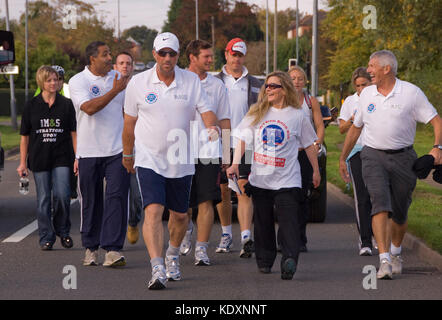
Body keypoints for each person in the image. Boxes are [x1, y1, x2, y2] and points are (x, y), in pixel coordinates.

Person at [122, 32, 219, 290]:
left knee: (179, 215)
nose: (167, 58)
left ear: (178, 56)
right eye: (162, 53)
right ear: (154, 54)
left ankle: (172, 255)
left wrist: (212, 128)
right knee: (153, 210)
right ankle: (157, 267)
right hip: (149, 157)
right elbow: (129, 124)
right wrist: (127, 153)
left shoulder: (190, 81)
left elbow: (207, 111)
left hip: (181, 157)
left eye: (172, 53)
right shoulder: (138, 83)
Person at [339, 50, 441, 280]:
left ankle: (395, 252)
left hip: (404, 158)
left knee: (401, 211)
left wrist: (437, 149)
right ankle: (383, 260)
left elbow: (436, 121)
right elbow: (356, 128)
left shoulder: (411, 93)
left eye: (372, 66)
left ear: (387, 69)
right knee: (379, 204)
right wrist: (343, 157)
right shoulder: (366, 95)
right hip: (373, 156)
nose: (369, 70)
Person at [226, 71, 320, 279]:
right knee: (263, 222)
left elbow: (309, 144)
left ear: (284, 90)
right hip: (261, 179)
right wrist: (234, 164)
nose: (268, 89)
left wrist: (316, 170)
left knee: (289, 222)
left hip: (288, 179)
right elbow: (242, 139)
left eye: (273, 86)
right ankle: (265, 260)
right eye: (266, 86)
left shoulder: (297, 116)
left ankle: (289, 259)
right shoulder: (257, 112)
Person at [69, 41, 131, 267]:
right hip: (88, 151)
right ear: (92, 58)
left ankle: (113, 250)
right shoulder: (78, 81)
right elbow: (89, 109)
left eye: (109, 54)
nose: (109, 58)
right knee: (91, 201)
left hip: (117, 151)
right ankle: (91, 246)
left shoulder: (120, 79)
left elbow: (129, 113)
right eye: (105, 54)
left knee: (116, 198)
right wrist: (115, 90)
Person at [178, 39, 231, 266]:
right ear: (192, 58)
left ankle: (201, 249)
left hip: (209, 150)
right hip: (180, 149)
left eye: (211, 56)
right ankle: (186, 228)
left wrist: (227, 154)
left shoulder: (217, 85)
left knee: (207, 200)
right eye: (206, 57)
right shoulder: (179, 81)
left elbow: (225, 119)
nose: (211, 60)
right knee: (183, 205)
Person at [17, 65, 76, 250]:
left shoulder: (66, 105)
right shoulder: (31, 106)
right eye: (49, 80)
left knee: (62, 195)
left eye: (56, 80)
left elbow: (74, 133)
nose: (54, 83)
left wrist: (77, 158)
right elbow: (24, 137)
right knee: (43, 199)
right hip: (39, 158)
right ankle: (46, 237)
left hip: (62, 157)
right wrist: (21, 163)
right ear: (41, 82)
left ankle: (63, 231)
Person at [214, 38, 263, 258]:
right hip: (222, 140)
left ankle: (246, 237)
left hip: (246, 142)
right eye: (233, 54)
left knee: (243, 188)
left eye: (240, 55)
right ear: (226, 54)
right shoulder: (214, 81)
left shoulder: (255, 83)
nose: (236, 59)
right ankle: (226, 235)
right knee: (223, 190)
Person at [288, 66, 324, 252]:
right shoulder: (282, 100)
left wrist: (317, 143)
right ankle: (285, 239)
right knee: (286, 197)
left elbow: (319, 125)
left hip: (304, 153)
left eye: (300, 78)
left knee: (302, 196)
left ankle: (301, 238)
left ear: (305, 81)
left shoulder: (310, 102)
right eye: (293, 78)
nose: (296, 82)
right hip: (286, 153)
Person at [338, 67, 374, 256]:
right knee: (361, 196)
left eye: (364, 84)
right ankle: (365, 240)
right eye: (358, 85)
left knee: (377, 195)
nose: (361, 88)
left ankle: (377, 233)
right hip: (356, 151)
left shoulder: (377, 97)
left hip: (376, 150)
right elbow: (342, 129)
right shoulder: (351, 101)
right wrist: (353, 119)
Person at [113, 51, 141, 245]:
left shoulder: (140, 86)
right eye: (121, 63)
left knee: (137, 195)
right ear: (115, 66)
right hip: (114, 148)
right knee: (116, 194)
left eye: (128, 63)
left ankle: (133, 222)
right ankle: (114, 235)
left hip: (137, 146)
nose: (125, 66)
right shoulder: (110, 87)